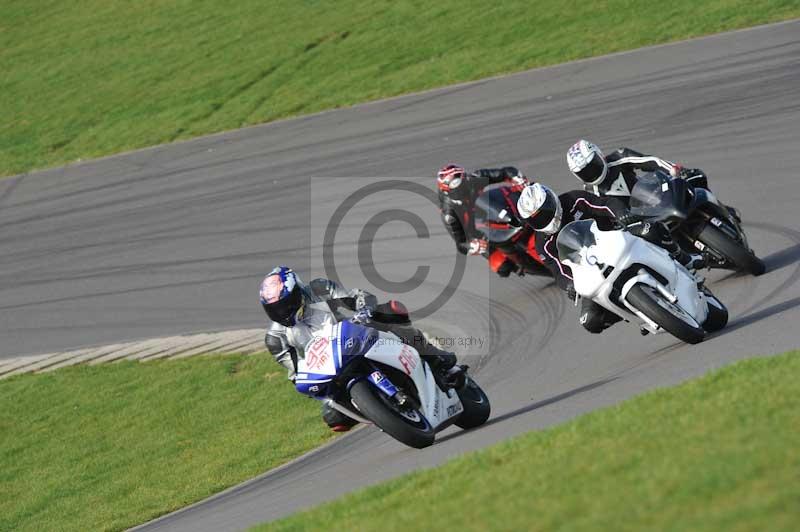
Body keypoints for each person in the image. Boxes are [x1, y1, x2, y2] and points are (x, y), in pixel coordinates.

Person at [260, 266, 464, 431]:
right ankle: (379, 413)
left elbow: (355, 297)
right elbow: (297, 373)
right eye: (274, 309)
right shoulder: (276, 339)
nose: (282, 312)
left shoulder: (319, 290)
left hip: (357, 336)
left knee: (391, 312)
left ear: (298, 292)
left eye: (286, 304)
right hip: (331, 368)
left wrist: (364, 309)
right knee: (333, 418)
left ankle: (435, 356)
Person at [516, 183, 703, 334]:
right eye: (536, 219)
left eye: (545, 211)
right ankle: (639, 314)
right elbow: (558, 270)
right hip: (590, 270)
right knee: (590, 321)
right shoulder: (543, 244)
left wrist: (621, 214)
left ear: (552, 200)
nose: (543, 219)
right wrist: (570, 285)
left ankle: (684, 259)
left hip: (616, 238)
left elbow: (604, 203)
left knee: (651, 229)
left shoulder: (573, 199)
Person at [437, 163, 529, 276]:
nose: (465, 184)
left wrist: (517, 179)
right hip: (479, 232)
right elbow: (461, 243)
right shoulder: (449, 213)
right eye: (458, 183)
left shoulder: (473, 180)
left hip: (492, 210)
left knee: (527, 195)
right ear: (447, 189)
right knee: (502, 266)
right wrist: (473, 245)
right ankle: (521, 267)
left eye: (463, 178)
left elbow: (505, 172)